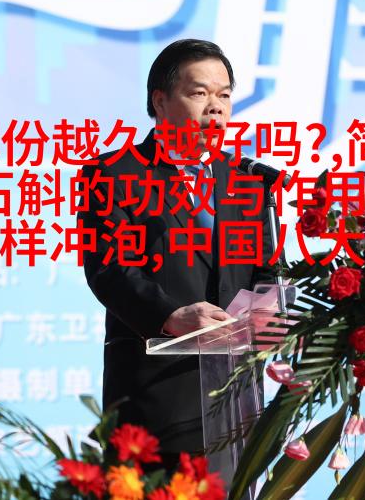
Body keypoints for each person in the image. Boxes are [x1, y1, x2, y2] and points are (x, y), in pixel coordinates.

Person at [79, 39, 277, 472]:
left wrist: (269, 309)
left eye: (224, 95)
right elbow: (110, 269)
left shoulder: (248, 180)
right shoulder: (113, 174)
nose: (216, 107)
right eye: (200, 93)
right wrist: (170, 315)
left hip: (236, 404)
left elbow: (266, 269)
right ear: (160, 101)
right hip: (155, 403)